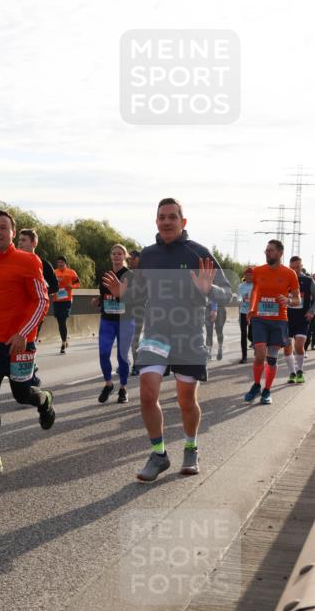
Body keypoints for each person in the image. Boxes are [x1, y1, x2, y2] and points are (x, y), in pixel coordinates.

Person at [113, 197, 231, 481]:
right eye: (162, 217)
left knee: (186, 400)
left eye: (172, 217)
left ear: (183, 221)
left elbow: (229, 293)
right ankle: (159, 454)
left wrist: (209, 288)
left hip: (188, 334)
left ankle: (191, 448)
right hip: (155, 333)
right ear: (156, 221)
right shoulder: (148, 254)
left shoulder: (198, 252)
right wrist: (124, 294)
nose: (166, 221)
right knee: (147, 394)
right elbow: (139, 292)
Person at [0, 210, 53, 475]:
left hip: (20, 344)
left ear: (12, 233)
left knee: (21, 394)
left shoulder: (28, 261)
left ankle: (44, 400)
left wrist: (23, 334)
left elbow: (42, 300)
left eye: (3, 228)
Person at [243, 240, 300, 405]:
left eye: (271, 250)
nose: (267, 252)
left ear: (280, 253)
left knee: (272, 358)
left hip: (279, 320)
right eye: (266, 250)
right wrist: (251, 310)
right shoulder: (258, 271)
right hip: (260, 318)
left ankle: (267, 390)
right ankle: (256, 385)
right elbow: (254, 292)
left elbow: (297, 299)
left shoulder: (290, 274)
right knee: (260, 354)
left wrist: (288, 300)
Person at [94, 244, 135, 404]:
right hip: (107, 320)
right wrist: (98, 301)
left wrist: (122, 294)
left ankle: (123, 388)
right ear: (110, 256)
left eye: (120, 253)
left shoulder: (131, 275)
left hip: (125, 320)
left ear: (125, 257)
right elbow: (103, 295)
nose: (116, 256)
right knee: (103, 354)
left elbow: (136, 298)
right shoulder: (105, 274)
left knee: (122, 356)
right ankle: (108, 384)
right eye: (114, 253)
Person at [16, 228, 58, 386]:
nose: (20, 243)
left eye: (24, 240)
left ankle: (31, 376)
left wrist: (39, 288)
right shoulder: (15, 262)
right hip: (16, 312)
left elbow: (54, 286)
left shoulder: (43, 264)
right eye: (19, 240)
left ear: (34, 243)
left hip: (35, 311)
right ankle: (29, 370)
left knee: (28, 341)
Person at [284, 255, 314, 384]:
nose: (295, 270)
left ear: (301, 266)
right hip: (286, 318)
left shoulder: (308, 281)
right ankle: (292, 372)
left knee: (299, 345)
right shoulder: (284, 280)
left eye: (298, 267)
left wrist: (312, 311)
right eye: (292, 268)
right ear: (289, 267)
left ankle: (300, 371)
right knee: (286, 347)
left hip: (302, 318)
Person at [52, 256, 80, 353]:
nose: (60, 264)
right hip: (56, 300)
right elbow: (49, 285)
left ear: (65, 263)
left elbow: (78, 284)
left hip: (67, 300)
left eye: (62, 262)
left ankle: (63, 343)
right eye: (58, 262)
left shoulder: (71, 272)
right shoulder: (54, 273)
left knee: (63, 320)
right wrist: (55, 284)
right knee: (60, 322)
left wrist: (71, 286)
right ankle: (64, 339)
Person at [128, 250, 144, 374]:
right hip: (126, 310)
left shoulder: (145, 273)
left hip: (140, 309)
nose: (130, 260)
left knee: (135, 338)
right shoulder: (126, 273)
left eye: (133, 258)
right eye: (129, 259)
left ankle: (137, 365)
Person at [237, 267, 253, 363]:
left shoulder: (256, 285)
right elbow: (239, 296)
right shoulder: (241, 286)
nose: (249, 277)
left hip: (253, 313)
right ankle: (244, 357)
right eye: (247, 275)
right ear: (244, 276)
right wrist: (239, 300)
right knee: (243, 334)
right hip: (243, 312)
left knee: (251, 335)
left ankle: (254, 343)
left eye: (250, 275)